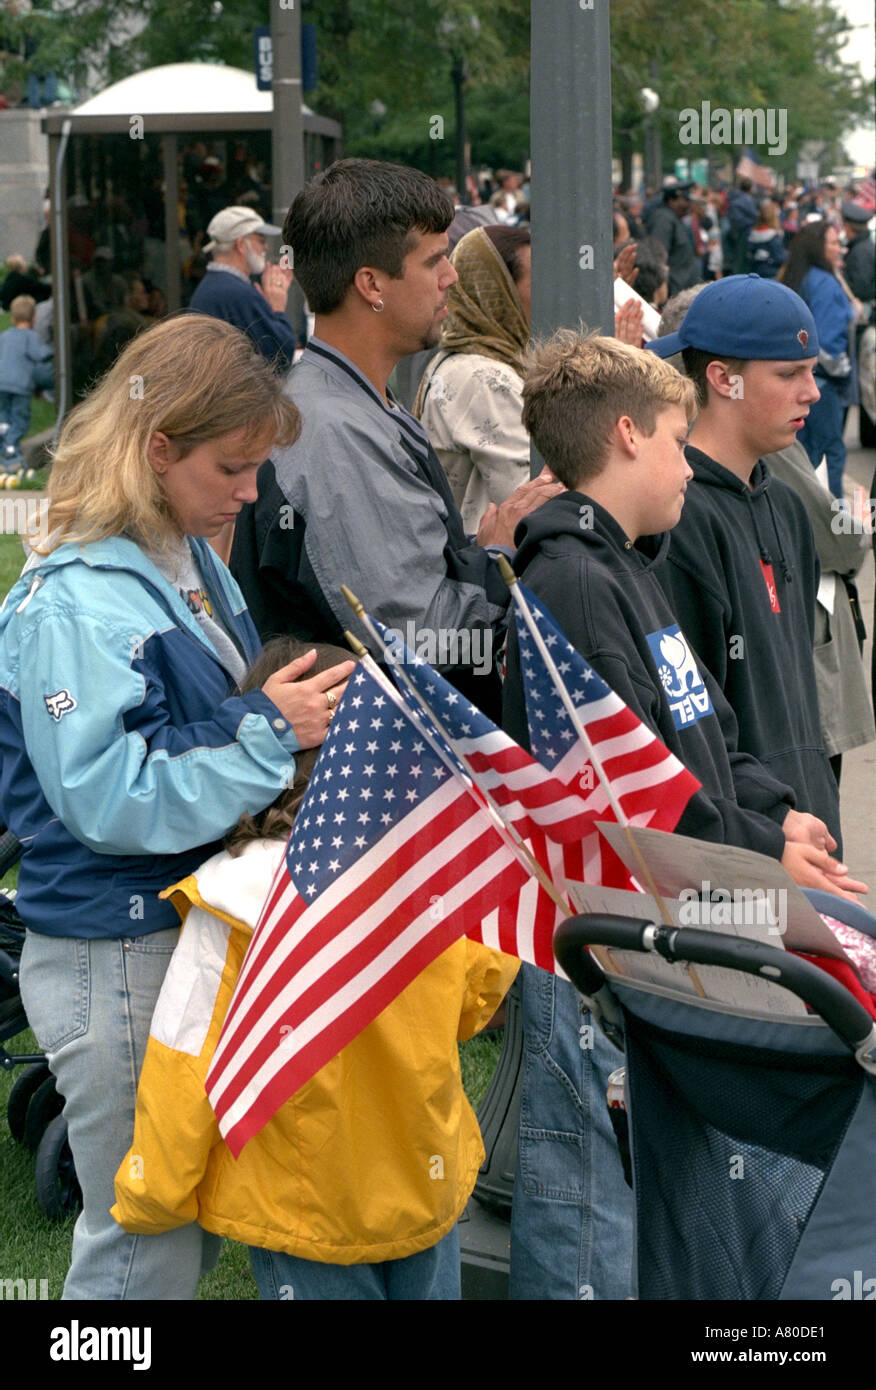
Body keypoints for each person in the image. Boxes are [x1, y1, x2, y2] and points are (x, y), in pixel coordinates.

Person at [502, 330, 861, 1303]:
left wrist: (774, 821)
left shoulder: (628, 564)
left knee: (694, 1188)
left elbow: (702, 728)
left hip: (681, 919)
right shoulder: (573, 581)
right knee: (586, 1212)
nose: (684, 464)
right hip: (608, 943)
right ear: (625, 434)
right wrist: (762, 865)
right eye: (672, 439)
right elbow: (623, 803)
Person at [0, 314, 355, 1299]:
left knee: (171, 1230)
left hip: (153, 936)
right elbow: (109, 797)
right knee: (139, 1241)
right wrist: (272, 733)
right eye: (232, 468)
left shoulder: (174, 554)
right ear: (158, 449)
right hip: (113, 949)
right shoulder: (81, 595)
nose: (250, 491)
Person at [111, 636, 519, 1300]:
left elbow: (187, 1061)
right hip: (426, 1183)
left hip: (299, 1209)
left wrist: (151, 1189)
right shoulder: (429, 872)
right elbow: (477, 1003)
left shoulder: (234, 894)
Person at [229, 158, 560, 719]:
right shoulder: (333, 434)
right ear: (372, 285)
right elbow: (417, 640)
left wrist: (480, 553)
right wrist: (501, 556)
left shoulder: (352, 401)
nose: (450, 277)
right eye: (434, 260)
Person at [648, 274, 845, 850]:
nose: (811, 392)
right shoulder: (676, 516)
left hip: (807, 821)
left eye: (810, 370)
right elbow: (687, 718)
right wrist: (767, 824)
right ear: (721, 378)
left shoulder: (783, 500)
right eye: (788, 374)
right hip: (744, 841)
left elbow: (794, 691)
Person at [414, 225, 532, 531]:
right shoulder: (486, 379)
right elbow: (532, 500)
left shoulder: (456, 359)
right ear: (496, 292)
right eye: (538, 283)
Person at [778, 220, 861, 500]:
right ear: (818, 247)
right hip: (822, 383)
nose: (840, 248)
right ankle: (830, 523)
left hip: (798, 379)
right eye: (834, 242)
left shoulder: (801, 276)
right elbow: (826, 344)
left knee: (805, 454)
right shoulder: (825, 282)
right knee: (829, 452)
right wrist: (843, 371)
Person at [187, 205, 297, 373]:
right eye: (260, 240)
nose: (265, 247)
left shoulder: (215, 285)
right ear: (240, 245)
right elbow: (280, 356)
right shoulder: (235, 293)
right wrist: (277, 307)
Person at [0, 294, 54, 467]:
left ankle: (5, 444)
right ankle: (11, 448)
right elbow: (43, 355)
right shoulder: (32, 338)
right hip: (21, 386)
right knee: (20, 418)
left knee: (3, 416)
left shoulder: (5, 336)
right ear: (33, 317)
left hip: (2, 383)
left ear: (13, 318)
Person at [643, 178, 700, 296]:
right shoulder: (663, 220)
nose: (689, 204)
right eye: (685, 200)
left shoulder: (672, 218)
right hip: (673, 291)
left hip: (680, 288)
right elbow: (657, 257)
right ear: (672, 200)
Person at [747, 199, 787, 278]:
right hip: (772, 274)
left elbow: (750, 255)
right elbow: (780, 258)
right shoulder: (773, 237)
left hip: (755, 273)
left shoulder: (752, 234)